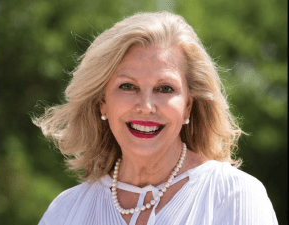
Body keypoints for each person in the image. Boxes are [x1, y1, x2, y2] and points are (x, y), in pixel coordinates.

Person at [34, 11, 278, 225]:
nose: (146, 106)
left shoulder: (235, 195)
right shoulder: (66, 211)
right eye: (128, 86)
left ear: (188, 107)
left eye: (165, 89)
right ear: (103, 103)